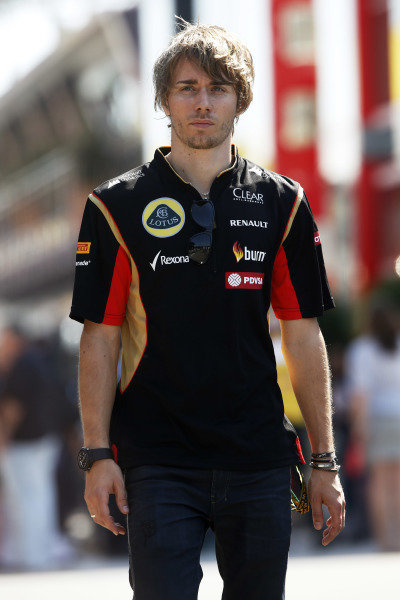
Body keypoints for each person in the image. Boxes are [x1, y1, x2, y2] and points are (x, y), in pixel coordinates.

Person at [70, 20, 345, 600]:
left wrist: (325, 461)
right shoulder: (115, 205)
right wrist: (96, 456)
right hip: (156, 459)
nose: (202, 102)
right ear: (164, 101)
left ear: (239, 100)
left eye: (217, 87)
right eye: (187, 87)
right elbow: (100, 338)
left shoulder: (283, 203)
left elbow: (302, 333)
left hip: (259, 456)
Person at [346, 300, 400, 550]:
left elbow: (361, 395)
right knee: (397, 483)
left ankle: (384, 540)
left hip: (378, 420)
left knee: (378, 483)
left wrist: (359, 428)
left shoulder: (362, 349)